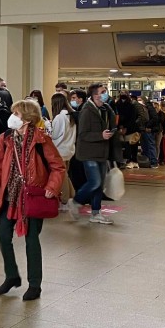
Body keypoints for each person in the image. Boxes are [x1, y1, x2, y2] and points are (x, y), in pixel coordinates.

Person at [0, 99, 66, 301]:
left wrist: (52, 187)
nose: (12, 117)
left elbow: (58, 166)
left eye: (17, 114)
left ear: (28, 120)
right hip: (9, 195)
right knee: (3, 236)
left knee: (32, 241)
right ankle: (12, 276)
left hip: (31, 197)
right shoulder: (5, 138)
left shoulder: (41, 140)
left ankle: (34, 285)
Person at [67, 83, 116, 225]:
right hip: (88, 153)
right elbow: (82, 134)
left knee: (99, 185)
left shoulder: (105, 109)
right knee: (95, 181)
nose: (105, 93)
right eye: (103, 91)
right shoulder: (87, 111)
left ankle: (96, 212)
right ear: (95, 95)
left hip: (101, 152)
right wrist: (100, 135)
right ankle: (76, 201)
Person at [49, 93, 77, 205]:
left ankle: (65, 199)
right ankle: (72, 196)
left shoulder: (60, 117)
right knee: (65, 175)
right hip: (69, 149)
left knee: (62, 177)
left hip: (60, 150)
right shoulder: (71, 115)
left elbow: (55, 135)